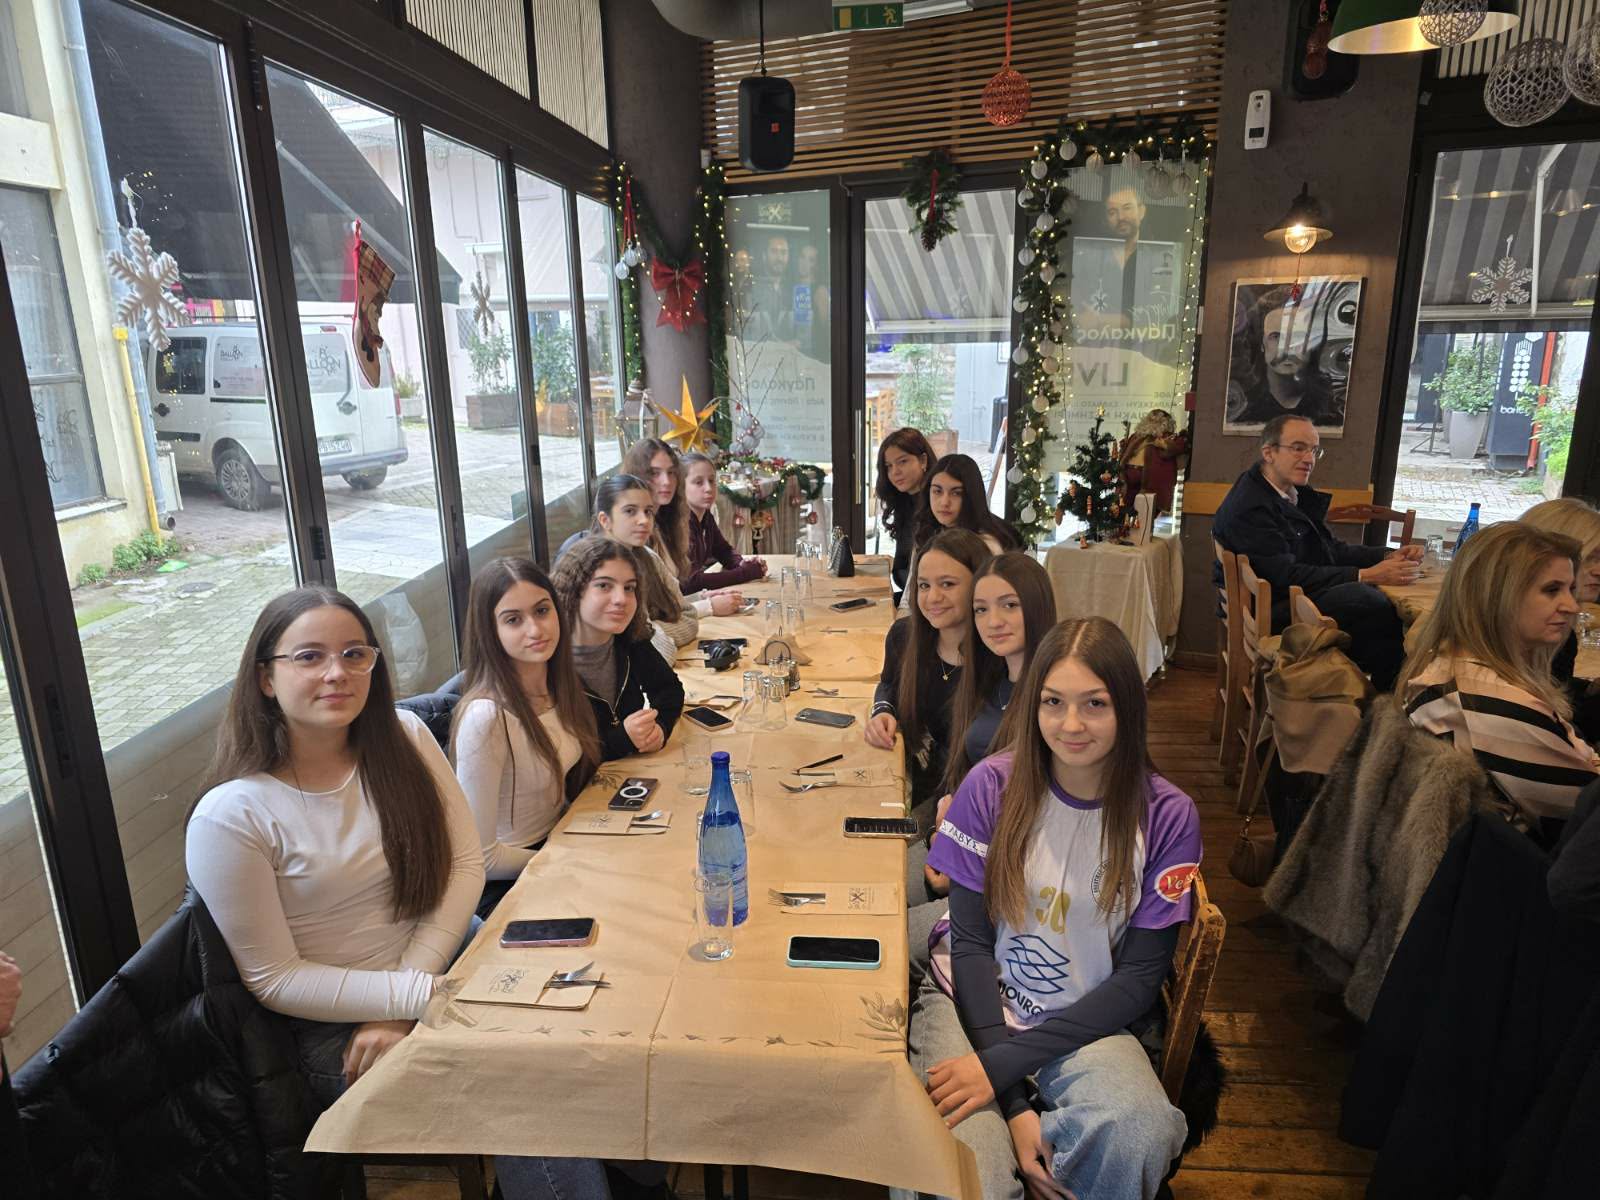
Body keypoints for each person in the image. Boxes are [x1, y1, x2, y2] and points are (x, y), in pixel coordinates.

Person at [908, 617, 1198, 1200]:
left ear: (1128, 707)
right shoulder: (990, 785)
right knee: (968, 1176)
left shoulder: (1168, 815)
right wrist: (1014, 1103)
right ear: (1032, 705)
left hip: (1085, 1018)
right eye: (1053, 702)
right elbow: (971, 945)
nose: (1071, 724)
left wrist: (1000, 1069)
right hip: (970, 999)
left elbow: (1139, 978)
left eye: (1095, 703)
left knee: (1140, 1129)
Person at [1398, 521, 1599, 837]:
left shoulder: (1454, 664)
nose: (1572, 606)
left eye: (1570, 589)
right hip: (1515, 862)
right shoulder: (1487, 702)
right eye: (1551, 590)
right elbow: (1586, 817)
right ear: (1496, 596)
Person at [1212, 413, 1420, 691]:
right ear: (1269, 452)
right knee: (1375, 606)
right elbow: (1284, 576)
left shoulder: (1284, 491)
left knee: (1381, 626)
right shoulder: (1254, 506)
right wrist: (1367, 575)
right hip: (1271, 611)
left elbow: (1328, 549)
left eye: (1314, 450)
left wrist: (1385, 555)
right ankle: (1380, 699)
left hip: (1281, 598)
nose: (1309, 459)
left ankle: (1369, 698)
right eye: (1298, 448)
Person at [452, 558, 602, 916]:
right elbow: (482, 857)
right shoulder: (486, 718)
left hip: (557, 843)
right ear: (490, 631)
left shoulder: (559, 685)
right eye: (513, 620)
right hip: (509, 881)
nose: (535, 629)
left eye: (542, 611)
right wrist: (564, 858)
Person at [867, 530, 992, 829]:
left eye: (947, 584)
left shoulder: (998, 659)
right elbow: (889, 684)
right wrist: (883, 710)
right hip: (924, 781)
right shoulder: (904, 637)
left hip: (976, 800)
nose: (933, 597)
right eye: (924, 585)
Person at [550, 537, 684, 762]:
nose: (622, 599)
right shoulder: (547, 661)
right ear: (573, 589)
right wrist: (622, 739)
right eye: (604, 585)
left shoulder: (629, 639)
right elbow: (558, 759)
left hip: (631, 772)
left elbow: (669, 690)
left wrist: (661, 727)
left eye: (629, 588)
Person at [1520, 497, 1600, 744]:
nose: (1598, 570)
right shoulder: (1537, 632)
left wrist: (1590, 690)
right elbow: (1554, 726)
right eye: (1589, 558)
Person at [680, 451, 767, 593]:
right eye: (698, 482)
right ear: (681, 487)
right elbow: (690, 583)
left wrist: (742, 563)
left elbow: (723, 550)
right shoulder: (680, 524)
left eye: (711, 480)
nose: (708, 488)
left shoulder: (705, 516)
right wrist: (744, 573)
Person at [912, 453, 1021, 560]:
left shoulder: (985, 545)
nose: (944, 502)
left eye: (956, 493)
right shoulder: (929, 530)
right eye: (937, 491)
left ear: (972, 496)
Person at [875, 427, 937, 605]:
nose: (895, 472)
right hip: (910, 597)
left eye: (902, 462)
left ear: (923, 460)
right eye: (889, 466)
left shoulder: (937, 507)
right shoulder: (904, 502)